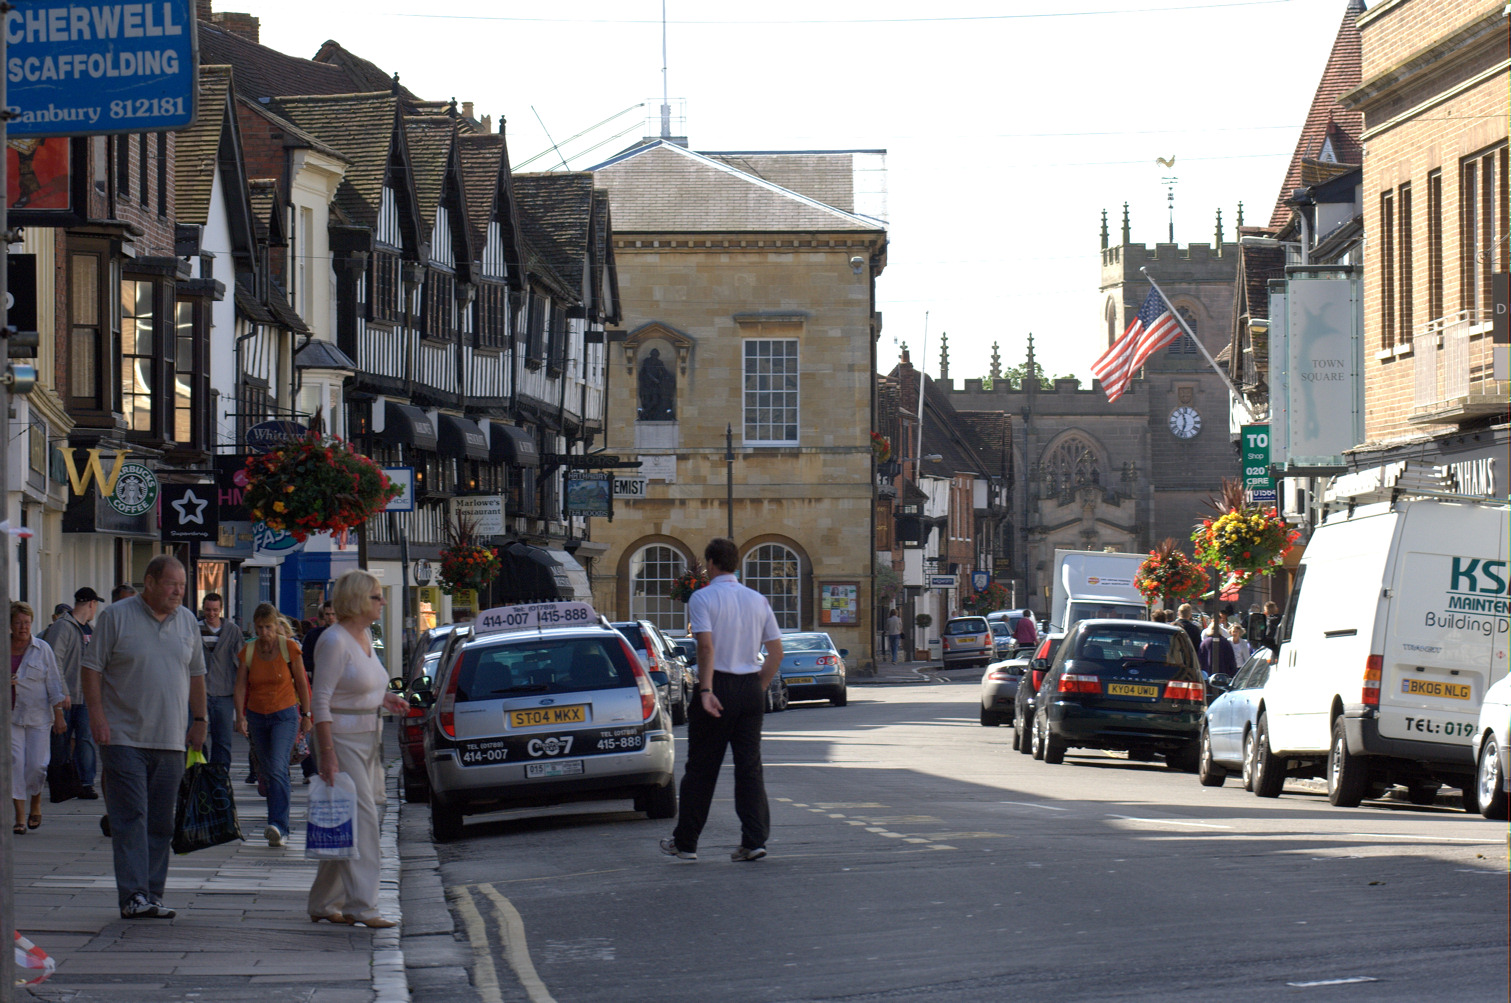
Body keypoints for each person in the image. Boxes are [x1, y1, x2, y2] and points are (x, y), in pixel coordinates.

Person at [83, 556, 206, 919]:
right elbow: (92, 669)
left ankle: (153, 892)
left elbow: (197, 674)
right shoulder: (116, 616)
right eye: (172, 584)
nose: (178, 592)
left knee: (161, 821)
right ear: (149, 582)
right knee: (131, 816)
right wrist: (97, 717)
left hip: (170, 739)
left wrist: (200, 720)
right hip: (123, 736)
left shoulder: (186, 622)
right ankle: (133, 895)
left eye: (182, 586)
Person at [660, 537, 783, 863]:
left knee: (701, 769)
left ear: (711, 563)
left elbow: (706, 648)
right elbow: (776, 652)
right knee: (749, 768)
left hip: (719, 686)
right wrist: (760, 685)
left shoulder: (703, 598)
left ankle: (686, 844)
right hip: (749, 687)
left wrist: (706, 691)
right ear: (735, 564)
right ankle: (754, 841)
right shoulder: (757, 599)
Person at [308, 570, 408, 927]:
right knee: (364, 820)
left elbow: (359, 685)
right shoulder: (334, 641)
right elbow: (320, 700)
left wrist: (385, 698)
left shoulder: (365, 635)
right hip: (342, 739)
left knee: (345, 818)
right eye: (376, 597)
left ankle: (322, 902)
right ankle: (362, 907)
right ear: (356, 600)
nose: (382, 602)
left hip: (369, 737)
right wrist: (327, 752)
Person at [235, 602, 312, 847]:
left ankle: (279, 825)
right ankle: (275, 824)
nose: (264, 633)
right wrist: (240, 716)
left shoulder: (288, 647)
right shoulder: (248, 651)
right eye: (259, 628)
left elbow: (301, 682)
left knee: (278, 767)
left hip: (285, 715)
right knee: (268, 771)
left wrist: (307, 715)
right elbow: (240, 686)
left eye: (268, 627)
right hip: (257, 716)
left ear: (276, 625)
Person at [40, 587, 102, 799]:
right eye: (95, 605)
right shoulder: (63, 627)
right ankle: (60, 784)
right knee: (61, 742)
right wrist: (62, 691)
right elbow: (53, 659)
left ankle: (86, 783)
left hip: (86, 697)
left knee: (85, 740)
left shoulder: (90, 630)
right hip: (66, 697)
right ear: (91, 604)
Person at [10, 602, 67, 835]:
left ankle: (35, 801)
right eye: (18, 623)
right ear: (10, 625)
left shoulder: (42, 649)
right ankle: (20, 816)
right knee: (15, 763)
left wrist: (59, 713)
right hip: (10, 718)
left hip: (38, 716)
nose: (23, 627)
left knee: (37, 765)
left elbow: (53, 682)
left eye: (27, 623)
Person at [199, 593, 244, 773]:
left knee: (223, 740)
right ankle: (199, 776)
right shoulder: (194, 629)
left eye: (215, 611)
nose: (211, 614)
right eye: (208, 610)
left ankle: (220, 778)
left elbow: (241, 663)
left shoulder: (232, 631)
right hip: (199, 693)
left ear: (221, 610)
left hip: (224, 692)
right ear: (203, 608)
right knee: (197, 738)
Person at [298, 601, 336, 783]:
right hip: (316, 689)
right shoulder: (314, 635)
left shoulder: (344, 636)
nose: (330, 617)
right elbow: (305, 662)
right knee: (310, 731)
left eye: (333, 614)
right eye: (327, 614)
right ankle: (310, 770)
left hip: (338, 692)